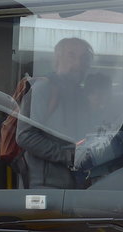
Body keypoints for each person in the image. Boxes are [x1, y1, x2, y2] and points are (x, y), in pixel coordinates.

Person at [16, 37, 93, 188]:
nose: (78, 64)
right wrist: (68, 156)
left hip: (76, 184)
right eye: (71, 55)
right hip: (45, 188)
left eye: (84, 58)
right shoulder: (44, 88)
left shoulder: (80, 94)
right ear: (58, 58)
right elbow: (25, 136)